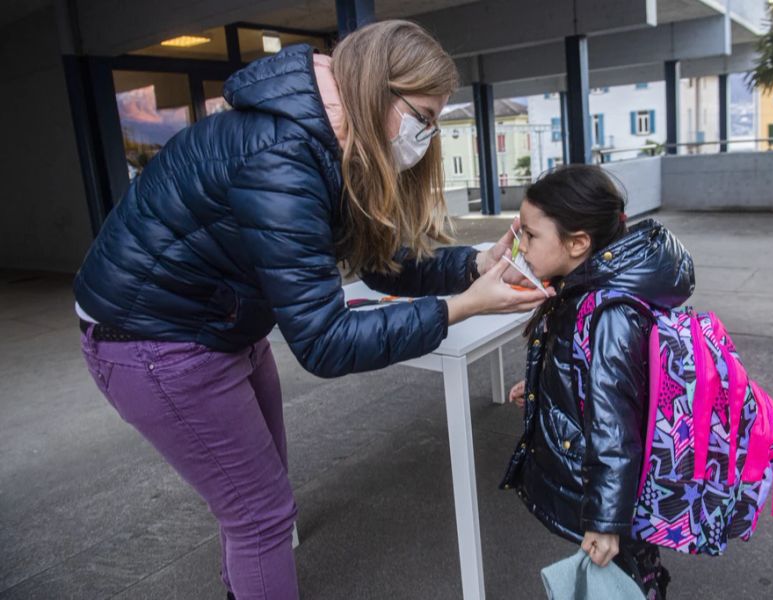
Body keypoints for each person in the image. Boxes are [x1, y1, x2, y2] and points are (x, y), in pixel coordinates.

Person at [74, 20, 550, 600]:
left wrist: (474, 266)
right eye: (422, 117)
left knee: (259, 502)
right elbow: (325, 343)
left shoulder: (328, 139)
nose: (426, 135)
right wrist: (460, 308)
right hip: (153, 341)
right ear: (378, 91)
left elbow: (380, 262)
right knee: (260, 515)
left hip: (221, 325)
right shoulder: (284, 154)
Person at [500, 164, 695, 598]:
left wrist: (606, 523)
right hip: (618, 488)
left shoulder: (608, 314)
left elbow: (615, 429)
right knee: (628, 569)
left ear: (578, 243)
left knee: (625, 575)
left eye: (530, 235)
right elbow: (585, 375)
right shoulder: (585, 287)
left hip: (617, 494)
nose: (520, 247)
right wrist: (540, 387)